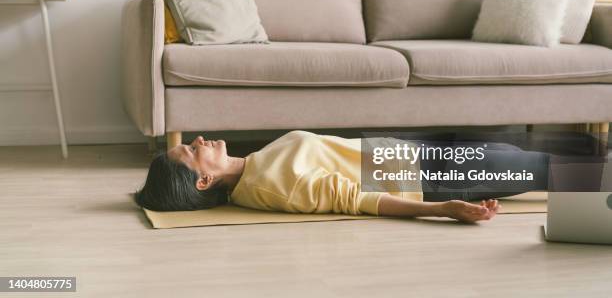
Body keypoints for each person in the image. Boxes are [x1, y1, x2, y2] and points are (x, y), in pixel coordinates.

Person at [134, 130, 550, 223]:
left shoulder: (256, 167)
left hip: (412, 153)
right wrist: (444, 209)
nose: (199, 140)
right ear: (203, 181)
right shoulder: (274, 184)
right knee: (560, 170)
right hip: (430, 174)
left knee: (529, 158)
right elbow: (359, 200)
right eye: (192, 151)